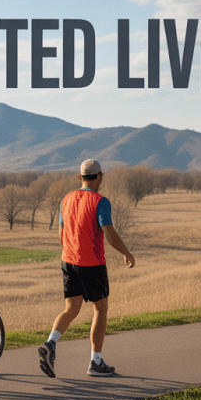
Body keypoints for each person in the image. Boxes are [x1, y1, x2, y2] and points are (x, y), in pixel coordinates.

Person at [38, 159, 136, 378]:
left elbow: (61, 233)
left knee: (71, 309)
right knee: (100, 309)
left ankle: (50, 343)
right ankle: (96, 362)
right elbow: (109, 233)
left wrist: (71, 250)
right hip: (92, 263)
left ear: (79, 177)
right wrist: (127, 253)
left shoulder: (66, 199)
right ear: (100, 176)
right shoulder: (100, 201)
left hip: (68, 261)